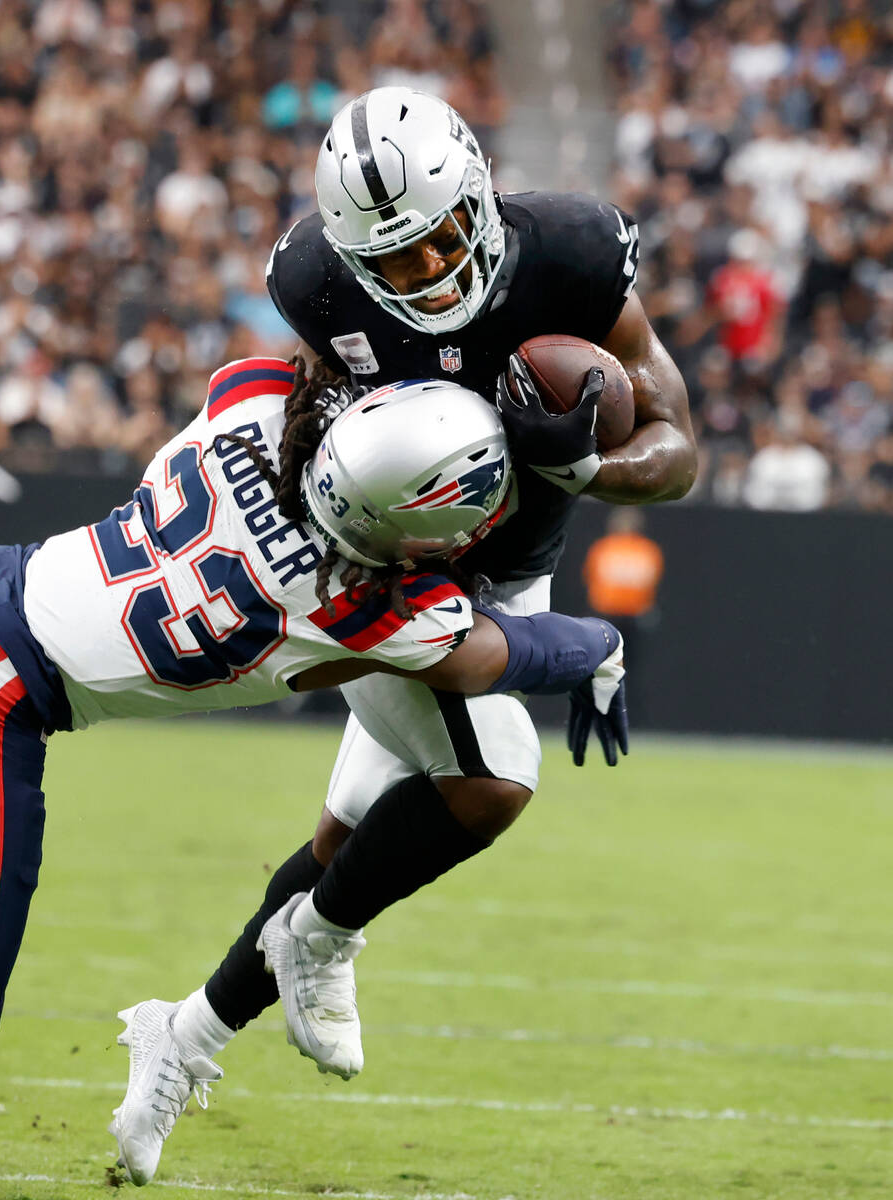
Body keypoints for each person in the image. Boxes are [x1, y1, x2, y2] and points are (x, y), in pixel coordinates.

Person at [111, 86, 693, 1186]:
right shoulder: (316, 284)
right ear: (347, 255)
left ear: (475, 197)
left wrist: (586, 470)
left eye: (436, 246)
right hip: (390, 579)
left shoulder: (567, 251)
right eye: (397, 263)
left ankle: (180, 1038)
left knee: (347, 852)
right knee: (490, 783)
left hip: (512, 575)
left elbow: (676, 443)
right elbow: (301, 430)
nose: (424, 277)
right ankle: (320, 944)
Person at [0, 355, 627, 1089]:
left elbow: (314, 357)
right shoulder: (354, 606)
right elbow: (515, 651)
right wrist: (603, 644)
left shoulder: (258, 400)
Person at [582, 508, 664, 730]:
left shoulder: (605, 548)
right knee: (617, 669)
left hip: (617, 616)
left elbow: (593, 580)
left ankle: (611, 716)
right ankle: (616, 717)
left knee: (612, 669)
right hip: (619, 616)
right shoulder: (644, 550)